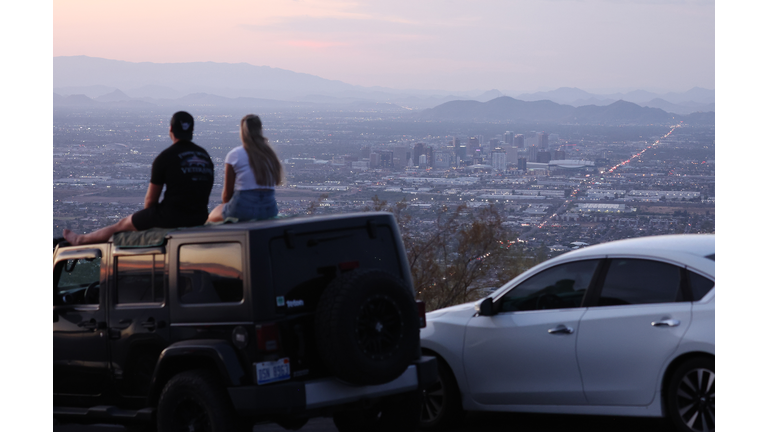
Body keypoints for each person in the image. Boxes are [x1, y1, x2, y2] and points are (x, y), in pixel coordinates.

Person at [63, 111, 214, 246]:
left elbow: (150, 200)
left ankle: (80, 240)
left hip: (170, 217)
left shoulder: (165, 157)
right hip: (199, 217)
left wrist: (147, 223)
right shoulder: (205, 157)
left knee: (122, 225)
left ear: (171, 129)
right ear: (192, 131)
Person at [207, 114, 283, 223]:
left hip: (242, 208)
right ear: (260, 130)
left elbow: (227, 195)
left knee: (212, 217)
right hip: (270, 210)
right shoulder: (270, 155)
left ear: (242, 132)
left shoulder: (235, 154)